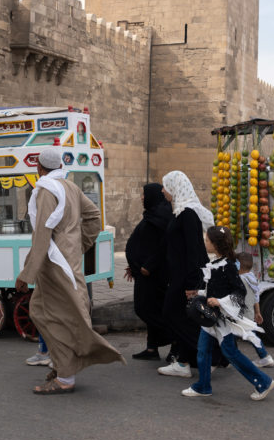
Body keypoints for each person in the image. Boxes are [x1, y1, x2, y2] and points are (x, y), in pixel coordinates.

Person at [14, 148, 124, 394]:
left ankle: (66, 377)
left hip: (54, 264)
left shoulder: (45, 190)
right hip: (66, 260)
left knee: (53, 316)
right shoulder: (70, 187)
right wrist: (77, 246)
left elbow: (42, 234)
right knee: (46, 313)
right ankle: (64, 366)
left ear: (40, 168)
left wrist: (26, 275)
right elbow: (94, 217)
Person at [182, 226, 274, 400]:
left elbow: (239, 293)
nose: (205, 243)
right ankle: (203, 386)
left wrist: (219, 302)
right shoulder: (217, 264)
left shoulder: (229, 266)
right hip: (211, 317)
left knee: (231, 353)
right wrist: (199, 294)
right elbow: (214, 289)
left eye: (207, 240)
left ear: (216, 244)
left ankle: (263, 382)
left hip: (222, 319)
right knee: (203, 350)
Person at [156, 170, 213, 378]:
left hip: (185, 278)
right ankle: (183, 361)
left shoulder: (188, 213)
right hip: (178, 275)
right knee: (182, 317)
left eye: (166, 186)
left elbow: (194, 251)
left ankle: (212, 355)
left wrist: (192, 283)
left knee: (172, 314)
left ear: (175, 187)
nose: (163, 191)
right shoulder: (181, 211)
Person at [125, 183, 174, 360]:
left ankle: (177, 340)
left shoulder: (163, 216)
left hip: (154, 273)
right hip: (143, 271)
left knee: (147, 309)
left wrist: (148, 266)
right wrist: (135, 264)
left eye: (144, 194)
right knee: (152, 308)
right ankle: (152, 348)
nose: (142, 197)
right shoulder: (153, 214)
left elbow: (163, 246)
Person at [237, 252, 274, 368]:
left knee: (250, 336)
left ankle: (264, 357)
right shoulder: (252, 278)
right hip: (249, 313)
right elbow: (256, 297)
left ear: (238, 265)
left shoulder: (240, 280)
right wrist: (257, 312)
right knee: (247, 335)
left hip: (241, 314)